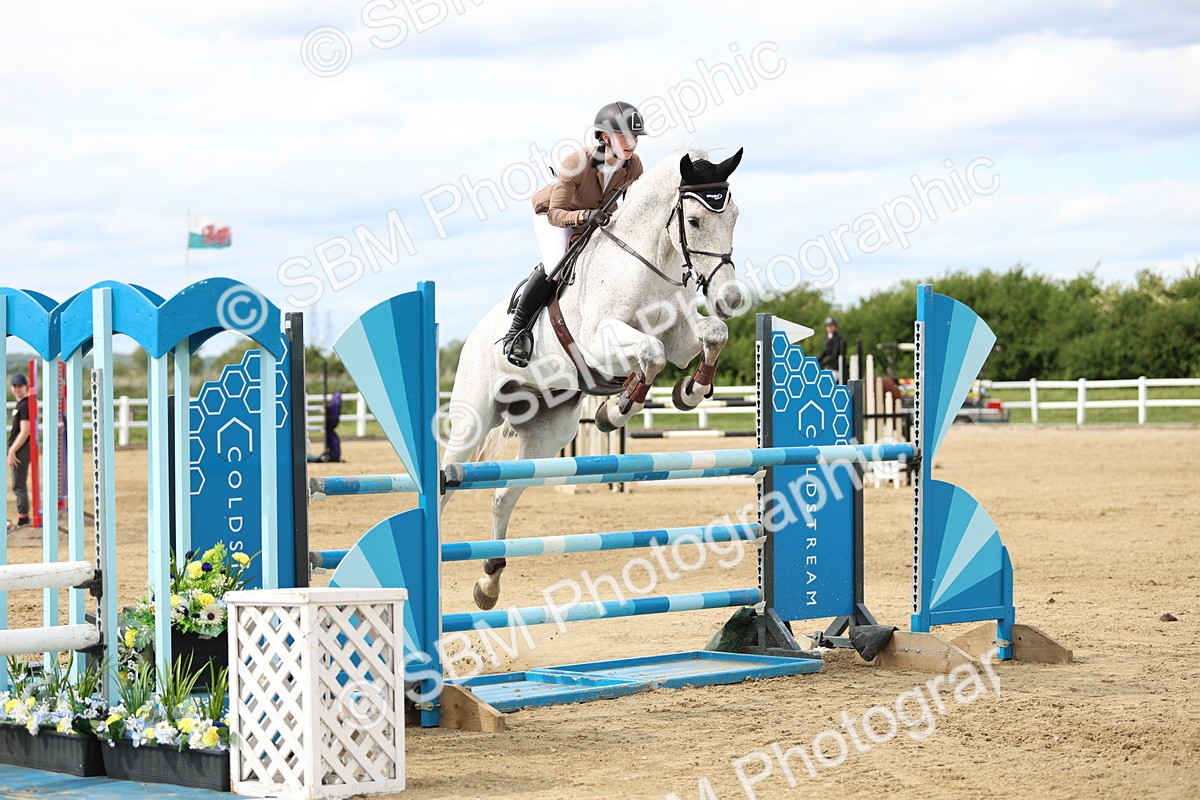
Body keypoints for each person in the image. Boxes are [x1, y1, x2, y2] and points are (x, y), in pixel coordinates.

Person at [501, 101, 647, 367]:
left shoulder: (634, 166)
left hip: (596, 218)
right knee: (556, 265)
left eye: (635, 137)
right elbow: (555, 214)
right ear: (605, 137)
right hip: (554, 217)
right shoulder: (577, 163)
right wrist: (585, 216)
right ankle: (516, 332)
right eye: (624, 136)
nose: (632, 143)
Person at [6, 374, 31, 530]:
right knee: (18, 484)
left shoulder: (25, 405)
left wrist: (12, 451)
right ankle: (23, 517)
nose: (17, 389)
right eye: (14, 386)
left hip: (20, 449)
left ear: (25, 386)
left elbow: (25, 431)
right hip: (19, 448)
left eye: (20, 386)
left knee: (18, 484)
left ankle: (23, 519)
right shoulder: (21, 404)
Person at [818, 317, 847, 383]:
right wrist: (816, 361)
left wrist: (822, 364)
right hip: (829, 367)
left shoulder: (838, 339)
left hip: (837, 368)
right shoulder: (828, 338)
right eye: (828, 326)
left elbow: (834, 355)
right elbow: (824, 352)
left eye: (831, 326)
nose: (829, 328)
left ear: (835, 327)